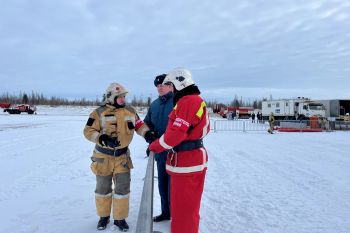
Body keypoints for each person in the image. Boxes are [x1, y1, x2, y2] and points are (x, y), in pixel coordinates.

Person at [149, 68, 210, 233]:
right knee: (184, 208)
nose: (170, 88)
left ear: (178, 83)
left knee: (184, 209)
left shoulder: (188, 101)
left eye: (170, 84)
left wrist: (154, 146)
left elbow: (175, 134)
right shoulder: (190, 100)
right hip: (187, 160)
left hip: (187, 162)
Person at [83, 83, 151, 231]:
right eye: (120, 97)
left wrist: (147, 134)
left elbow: (139, 125)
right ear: (111, 97)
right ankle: (103, 217)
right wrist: (101, 138)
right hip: (103, 158)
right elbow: (88, 131)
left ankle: (120, 219)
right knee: (102, 189)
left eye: (124, 96)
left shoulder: (130, 111)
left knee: (123, 189)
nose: (123, 99)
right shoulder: (98, 112)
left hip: (122, 158)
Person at [144, 74, 173, 222]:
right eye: (157, 85)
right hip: (161, 153)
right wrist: (149, 134)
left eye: (162, 84)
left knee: (174, 188)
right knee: (162, 185)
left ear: (170, 85)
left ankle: (178, 214)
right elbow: (147, 123)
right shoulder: (154, 105)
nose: (160, 87)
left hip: (176, 154)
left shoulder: (178, 102)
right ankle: (165, 212)